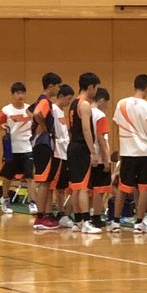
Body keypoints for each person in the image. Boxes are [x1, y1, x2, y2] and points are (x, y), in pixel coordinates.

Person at [111, 73, 147, 234]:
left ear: (134, 86)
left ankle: (115, 222)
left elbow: (117, 128)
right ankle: (139, 223)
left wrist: (119, 149)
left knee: (123, 188)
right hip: (146, 153)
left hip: (127, 152)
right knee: (144, 188)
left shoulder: (121, 104)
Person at [67, 72, 101, 234]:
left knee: (75, 186)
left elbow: (70, 128)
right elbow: (86, 129)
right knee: (83, 187)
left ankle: (78, 221)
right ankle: (87, 221)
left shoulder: (73, 103)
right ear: (90, 87)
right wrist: (93, 152)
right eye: (96, 88)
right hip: (81, 148)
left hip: (72, 146)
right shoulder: (85, 104)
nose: (96, 91)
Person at [0, 82, 37, 215]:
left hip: (27, 147)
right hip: (12, 149)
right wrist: (4, 127)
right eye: (17, 93)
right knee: (8, 177)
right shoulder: (6, 110)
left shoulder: (30, 110)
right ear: (13, 94)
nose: (20, 95)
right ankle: (5, 199)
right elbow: (0, 124)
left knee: (30, 177)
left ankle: (32, 202)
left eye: (22, 93)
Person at [31, 72, 62, 230]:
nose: (58, 89)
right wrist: (43, 127)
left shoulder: (43, 100)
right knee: (44, 182)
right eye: (57, 86)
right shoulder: (44, 101)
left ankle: (47, 215)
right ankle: (40, 217)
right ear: (50, 86)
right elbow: (36, 113)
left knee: (47, 182)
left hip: (43, 145)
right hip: (43, 145)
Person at [48, 83, 74, 228]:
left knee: (62, 185)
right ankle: (59, 211)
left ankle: (61, 212)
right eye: (68, 99)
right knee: (57, 185)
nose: (69, 102)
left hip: (65, 152)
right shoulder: (53, 109)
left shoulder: (61, 111)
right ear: (61, 96)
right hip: (58, 152)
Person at [89, 88, 112, 230]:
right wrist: (106, 158)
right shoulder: (100, 115)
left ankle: (81, 216)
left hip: (86, 156)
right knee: (100, 189)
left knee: (85, 189)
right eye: (107, 103)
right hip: (98, 156)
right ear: (102, 100)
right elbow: (101, 138)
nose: (107, 106)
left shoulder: (84, 112)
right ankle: (96, 217)